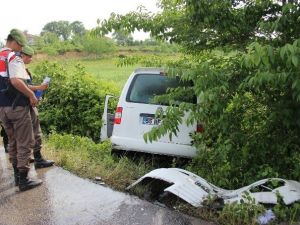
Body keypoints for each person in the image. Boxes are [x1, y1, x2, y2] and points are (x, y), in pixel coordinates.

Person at [0, 29, 42, 191]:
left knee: (12, 141)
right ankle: (24, 180)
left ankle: (17, 176)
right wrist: (31, 94)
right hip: (17, 106)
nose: (21, 48)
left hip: (2, 108)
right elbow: (16, 80)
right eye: (21, 45)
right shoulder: (13, 56)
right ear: (15, 42)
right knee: (25, 141)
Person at [20, 45, 54, 168]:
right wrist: (39, 88)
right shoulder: (18, 70)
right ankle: (36, 160)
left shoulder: (22, 69)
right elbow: (23, 86)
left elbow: (26, 86)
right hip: (25, 105)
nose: (31, 59)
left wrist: (36, 93)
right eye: (29, 57)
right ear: (22, 56)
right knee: (33, 133)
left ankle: (32, 157)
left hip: (28, 103)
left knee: (31, 133)